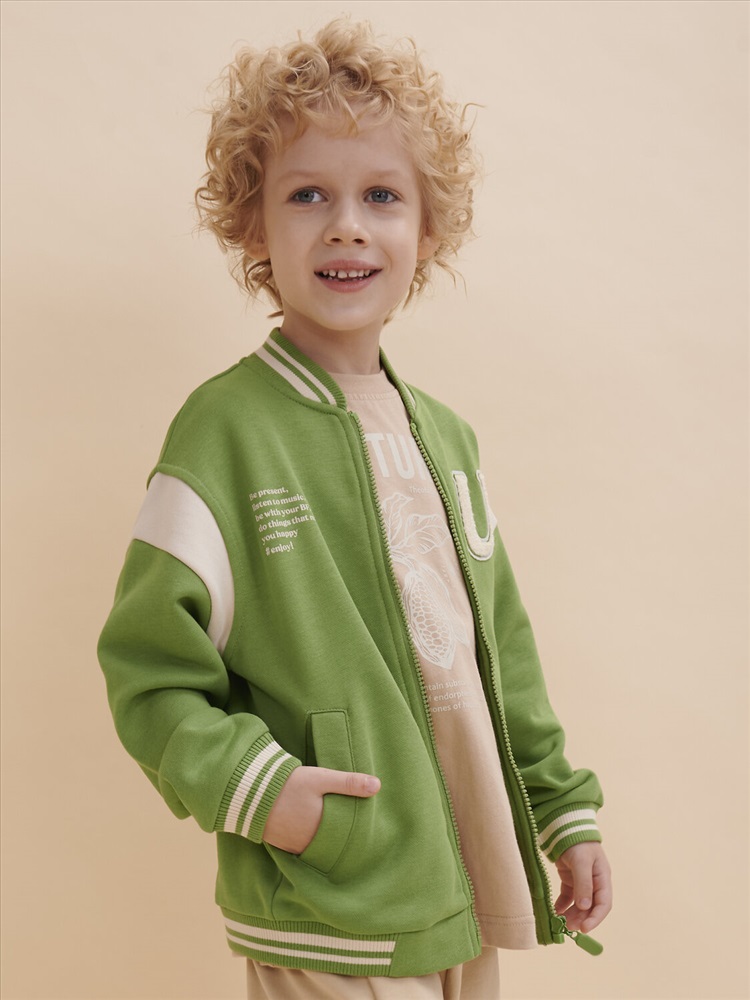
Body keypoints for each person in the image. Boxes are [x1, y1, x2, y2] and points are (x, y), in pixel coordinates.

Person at [98, 16, 612, 1000]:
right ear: (254, 227)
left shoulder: (447, 437)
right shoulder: (226, 432)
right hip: (331, 898)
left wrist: (560, 810)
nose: (345, 225)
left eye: (382, 195)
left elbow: (498, 646)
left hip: (465, 880)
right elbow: (147, 670)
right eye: (307, 195)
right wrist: (268, 794)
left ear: (428, 230)